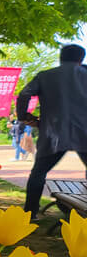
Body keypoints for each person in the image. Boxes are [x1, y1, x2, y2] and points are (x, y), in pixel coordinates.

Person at [18, 43, 87, 218]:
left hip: (53, 132)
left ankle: (30, 213)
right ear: (81, 58)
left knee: (39, 172)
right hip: (84, 132)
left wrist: (26, 117)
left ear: (60, 57)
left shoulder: (45, 76)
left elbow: (24, 94)